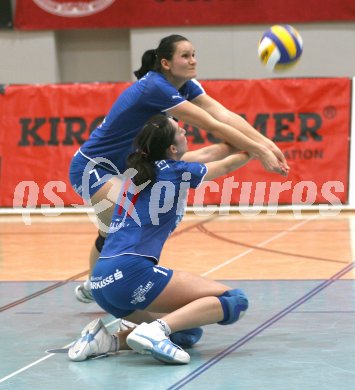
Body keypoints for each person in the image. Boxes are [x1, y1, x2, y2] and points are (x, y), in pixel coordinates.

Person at [69, 34, 289, 303]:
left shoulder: (186, 85)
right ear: (165, 63)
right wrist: (259, 150)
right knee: (127, 221)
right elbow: (213, 125)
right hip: (93, 167)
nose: (193, 60)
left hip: (128, 166)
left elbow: (225, 115)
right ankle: (110, 284)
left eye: (194, 54)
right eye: (185, 56)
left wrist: (267, 144)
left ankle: (97, 284)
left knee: (109, 230)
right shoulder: (155, 88)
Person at [68, 114, 251, 364]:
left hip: (102, 283)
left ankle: (106, 339)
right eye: (180, 130)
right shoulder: (174, 171)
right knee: (234, 300)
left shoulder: (137, 175)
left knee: (187, 332)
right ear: (172, 148)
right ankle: (155, 332)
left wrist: (247, 142)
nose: (185, 131)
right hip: (130, 273)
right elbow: (226, 165)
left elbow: (210, 154)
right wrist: (259, 149)